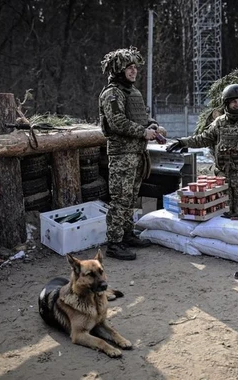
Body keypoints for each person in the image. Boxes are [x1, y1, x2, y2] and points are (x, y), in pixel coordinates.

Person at [166, 84, 238, 217]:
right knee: (223, 214)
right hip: (223, 180)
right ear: (226, 104)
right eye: (234, 101)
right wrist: (182, 142)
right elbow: (203, 138)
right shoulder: (219, 123)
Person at [99, 46, 159, 260]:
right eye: (129, 68)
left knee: (132, 197)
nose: (134, 71)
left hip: (136, 154)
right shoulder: (112, 94)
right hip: (122, 155)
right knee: (120, 200)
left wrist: (153, 126)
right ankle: (114, 244)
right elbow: (117, 122)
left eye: (135, 67)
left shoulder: (133, 92)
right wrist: (144, 132)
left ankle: (126, 234)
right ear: (118, 69)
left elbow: (143, 117)